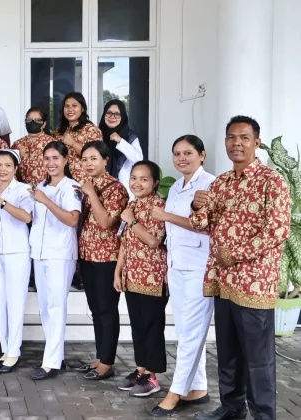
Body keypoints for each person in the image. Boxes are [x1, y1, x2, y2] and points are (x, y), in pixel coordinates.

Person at [191, 116, 291, 420]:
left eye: (244, 138)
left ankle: (263, 415)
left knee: (258, 358)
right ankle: (233, 407)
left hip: (254, 283)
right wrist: (196, 206)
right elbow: (202, 224)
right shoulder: (220, 182)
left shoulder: (272, 181)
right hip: (223, 280)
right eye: (231, 137)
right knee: (229, 351)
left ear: (256, 142)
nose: (237, 143)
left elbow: (277, 230)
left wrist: (234, 254)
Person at [149, 135, 215, 417]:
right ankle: (197, 388)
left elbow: (206, 225)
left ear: (202, 155)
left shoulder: (210, 184)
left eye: (188, 153)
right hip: (177, 265)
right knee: (186, 330)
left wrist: (165, 216)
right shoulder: (177, 186)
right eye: (177, 153)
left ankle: (175, 392)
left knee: (192, 332)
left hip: (200, 266)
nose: (181, 158)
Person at [113, 160, 168, 398]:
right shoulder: (132, 205)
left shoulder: (159, 206)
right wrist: (118, 271)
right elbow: (125, 242)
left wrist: (132, 220)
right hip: (132, 275)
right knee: (137, 326)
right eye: (134, 178)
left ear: (155, 183)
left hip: (153, 278)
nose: (137, 183)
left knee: (152, 328)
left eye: (144, 179)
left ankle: (152, 378)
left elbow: (154, 241)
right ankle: (141, 370)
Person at [27, 142, 81, 380]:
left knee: (56, 307)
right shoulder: (40, 186)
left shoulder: (70, 187)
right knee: (45, 307)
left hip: (60, 253)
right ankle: (56, 356)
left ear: (66, 160)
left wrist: (46, 201)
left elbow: (72, 220)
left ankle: (50, 363)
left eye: (56, 158)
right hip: (39, 253)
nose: (51, 163)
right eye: (47, 158)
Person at [75, 141, 128, 380]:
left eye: (93, 158)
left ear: (106, 160)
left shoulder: (116, 189)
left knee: (107, 310)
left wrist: (91, 194)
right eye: (84, 159)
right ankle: (100, 357)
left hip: (107, 258)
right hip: (87, 255)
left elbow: (106, 222)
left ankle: (107, 362)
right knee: (96, 309)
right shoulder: (87, 184)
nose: (88, 163)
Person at [0, 149, 33, 373]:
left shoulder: (23, 189)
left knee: (15, 303)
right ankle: (6, 349)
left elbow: (27, 216)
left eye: (7, 165)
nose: (2, 169)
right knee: (0, 302)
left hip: (17, 252)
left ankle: (14, 351)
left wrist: (2, 203)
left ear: (15, 168)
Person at [99, 99, 143, 200]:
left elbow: (138, 160)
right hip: (100, 188)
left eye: (117, 114)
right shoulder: (97, 134)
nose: (112, 117)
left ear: (122, 116)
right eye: (109, 113)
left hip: (122, 190)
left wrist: (121, 141)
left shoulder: (130, 137)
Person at [54, 92, 103, 182]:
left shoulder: (91, 130)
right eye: (67, 106)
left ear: (82, 109)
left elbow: (96, 157)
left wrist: (73, 143)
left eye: (74, 106)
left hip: (84, 181)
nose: (70, 109)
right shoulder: (58, 131)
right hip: (61, 181)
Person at [12, 107, 56, 186]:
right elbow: (10, 168)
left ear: (44, 124)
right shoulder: (17, 144)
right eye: (29, 120)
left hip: (47, 189)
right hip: (23, 190)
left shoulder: (52, 143)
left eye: (37, 120)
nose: (32, 122)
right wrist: (19, 155)